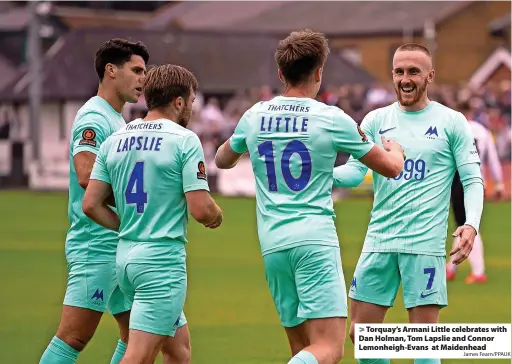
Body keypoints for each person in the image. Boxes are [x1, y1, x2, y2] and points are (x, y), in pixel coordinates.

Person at [215, 29, 405, 364]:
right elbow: (389, 168)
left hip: (273, 245)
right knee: (329, 350)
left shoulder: (254, 116)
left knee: (303, 350)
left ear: (280, 74)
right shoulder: (331, 119)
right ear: (319, 73)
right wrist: (397, 150)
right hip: (314, 241)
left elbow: (222, 160)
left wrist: (246, 145)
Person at [333, 43, 484, 364]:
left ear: (429, 76)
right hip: (379, 242)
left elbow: (473, 179)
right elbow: (354, 172)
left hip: (423, 247)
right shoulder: (375, 120)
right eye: (399, 71)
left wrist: (470, 224)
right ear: (392, 75)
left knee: (423, 345)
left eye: (413, 71)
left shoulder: (452, 122)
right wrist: (319, 174)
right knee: (361, 335)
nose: (405, 78)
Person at [82, 64, 223, 364]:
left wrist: (128, 227)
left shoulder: (115, 139)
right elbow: (200, 209)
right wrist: (216, 215)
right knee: (139, 357)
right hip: (161, 263)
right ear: (180, 101)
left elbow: (91, 204)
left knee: (178, 349)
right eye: (192, 101)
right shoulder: (184, 139)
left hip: (126, 259)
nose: (192, 108)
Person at [39, 38, 149, 364]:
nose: (144, 78)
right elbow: (86, 174)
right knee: (74, 335)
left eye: (146, 71)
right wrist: (133, 203)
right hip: (96, 245)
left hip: (118, 244)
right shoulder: (94, 118)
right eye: (137, 70)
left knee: (136, 337)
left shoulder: (117, 119)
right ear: (111, 70)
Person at [446, 102, 504, 284]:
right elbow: (492, 158)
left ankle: (478, 272)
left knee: (468, 226)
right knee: (465, 223)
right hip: (477, 182)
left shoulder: (454, 129)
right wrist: (499, 183)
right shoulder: (482, 131)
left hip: (458, 180)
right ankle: (451, 268)